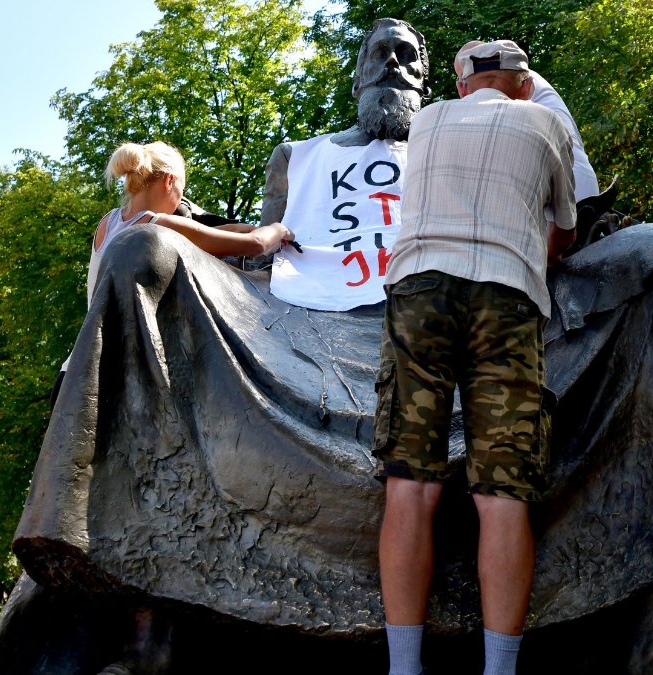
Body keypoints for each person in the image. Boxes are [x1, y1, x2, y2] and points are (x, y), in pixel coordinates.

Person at [374, 40, 577, 675]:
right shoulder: (545, 121)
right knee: (503, 492)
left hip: (419, 291)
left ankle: (404, 669)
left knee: (410, 484)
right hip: (508, 295)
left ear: (462, 85)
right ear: (524, 83)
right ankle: (500, 671)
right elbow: (565, 231)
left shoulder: (428, 119)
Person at [50, 140, 294, 408]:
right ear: (169, 181)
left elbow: (212, 233)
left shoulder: (107, 223)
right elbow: (256, 245)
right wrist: (279, 230)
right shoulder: (157, 226)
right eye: (181, 190)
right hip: (114, 385)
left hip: (72, 377)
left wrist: (244, 228)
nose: (181, 200)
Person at [260, 18, 430, 311]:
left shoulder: (454, 155)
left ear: (424, 85)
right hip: (311, 303)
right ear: (357, 81)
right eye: (379, 53)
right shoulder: (295, 157)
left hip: (431, 302)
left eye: (407, 55)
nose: (392, 62)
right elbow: (262, 257)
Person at [453, 40, 599, 202]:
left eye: (465, 76)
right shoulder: (520, 78)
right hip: (580, 182)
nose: (464, 83)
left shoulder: (519, 81)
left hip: (564, 191)